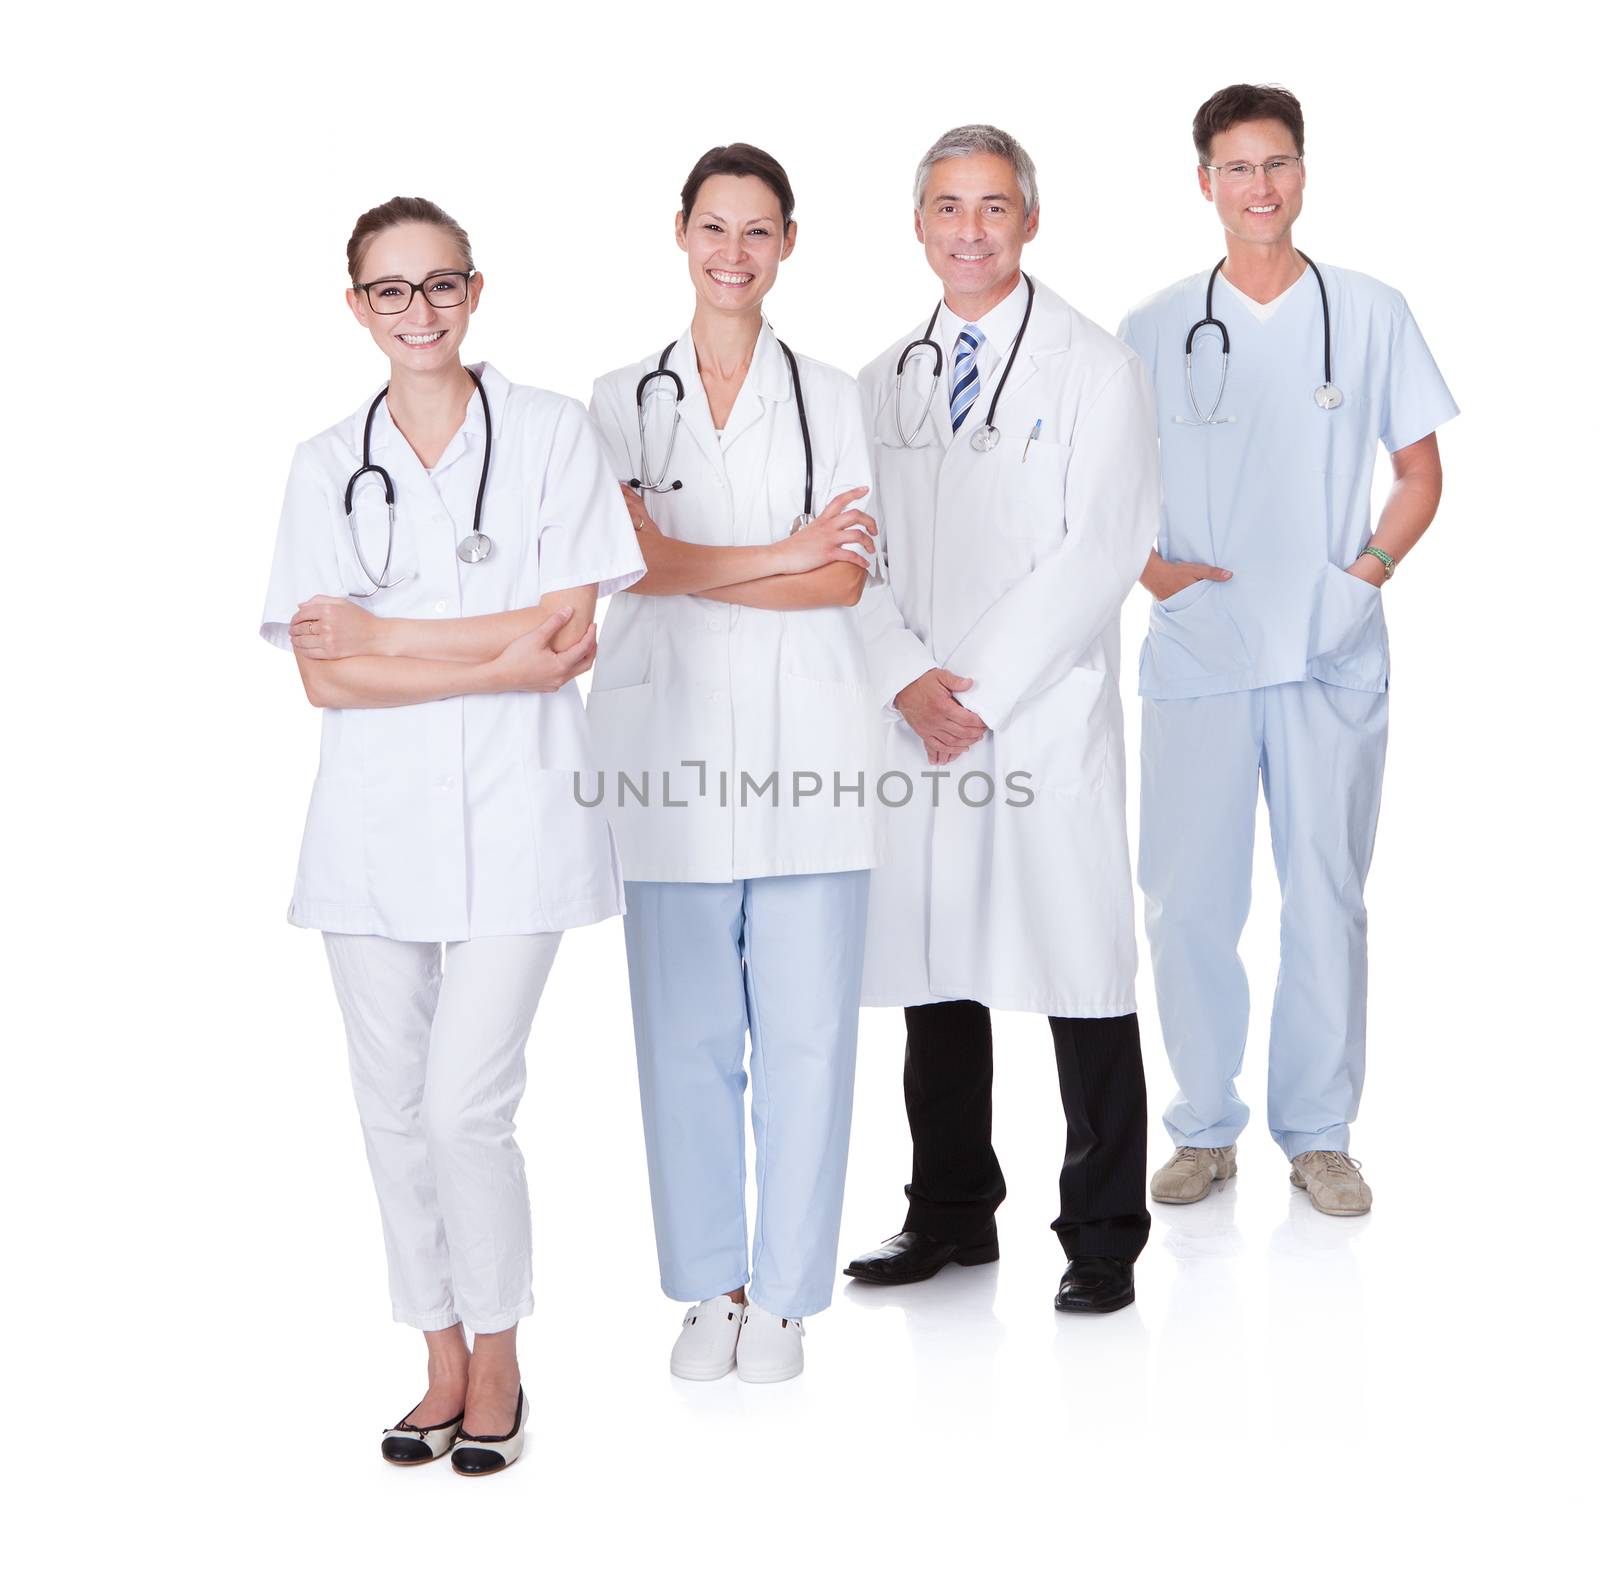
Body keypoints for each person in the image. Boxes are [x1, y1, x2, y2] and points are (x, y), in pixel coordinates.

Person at [261, 196, 644, 1473]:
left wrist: (383, 636)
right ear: (357, 307)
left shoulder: (548, 433)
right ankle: (432, 1350)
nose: (418, 312)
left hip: (522, 813)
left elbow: (566, 636)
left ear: (476, 294)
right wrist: (488, 649)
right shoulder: (328, 462)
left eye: (440, 287)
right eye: (391, 291)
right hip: (366, 834)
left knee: (463, 1107)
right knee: (389, 1109)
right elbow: (325, 682)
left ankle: (501, 1352)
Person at [1120, 84, 1456, 1216]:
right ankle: (1204, 1130)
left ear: (1302, 173)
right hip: (1203, 651)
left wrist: (1362, 577)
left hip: (1325, 649)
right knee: (1187, 902)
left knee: (1325, 897)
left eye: (1276, 165)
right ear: (1202, 182)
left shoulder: (1367, 310)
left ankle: (1319, 1134)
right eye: (1235, 167)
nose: (1258, 187)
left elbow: (1419, 476)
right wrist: (1148, 568)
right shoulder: (1154, 325)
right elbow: (1100, 487)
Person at [844, 125, 1159, 1314]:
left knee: (1081, 968)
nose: (968, 230)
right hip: (918, 720)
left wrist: (966, 693)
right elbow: (848, 554)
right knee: (938, 968)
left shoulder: (1093, 365)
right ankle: (949, 1213)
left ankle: (1099, 1235)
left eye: (990, 207)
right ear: (919, 227)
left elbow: (1103, 545)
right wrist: (900, 678)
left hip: (1039, 717)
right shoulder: (878, 381)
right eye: (945, 208)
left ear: (1029, 221)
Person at [586, 143, 881, 1383]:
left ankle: (790, 1299)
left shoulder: (833, 397)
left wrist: (704, 558)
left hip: (810, 750)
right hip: (666, 752)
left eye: (758, 232)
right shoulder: (618, 399)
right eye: (715, 228)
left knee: (808, 1034)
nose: (733, 254)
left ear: (789, 245)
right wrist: (776, 553)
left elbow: (846, 574)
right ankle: (713, 1286)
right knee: (684, 1036)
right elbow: (622, 565)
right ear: (680, 232)